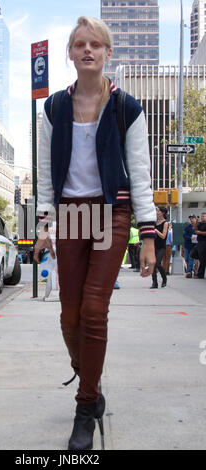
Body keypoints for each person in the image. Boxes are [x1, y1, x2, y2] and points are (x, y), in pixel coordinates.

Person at [34, 16, 156, 451]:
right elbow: (46, 175)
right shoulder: (53, 109)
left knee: (92, 309)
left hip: (111, 215)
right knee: (69, 315)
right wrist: (44, 228)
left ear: (107, 53)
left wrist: (148, 236)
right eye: (80, 44)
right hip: (69, 216)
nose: (87, 50)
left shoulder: (128, 108)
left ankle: (85, 405)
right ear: (71, 53)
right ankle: (91, 377)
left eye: (96, 45)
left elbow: (139, 174)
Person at [151, 206, 168, 288]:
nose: (157, 212)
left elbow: (163, 236)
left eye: (158, 211)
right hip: (153, 245)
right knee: (153, 264)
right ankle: (155, 283)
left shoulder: (165, 223)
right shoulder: (154, 222)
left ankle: (164, 279)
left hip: (161, 246)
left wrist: (156, 230)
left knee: (157, 263)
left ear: (163, 212)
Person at [193, 211, 206, 279]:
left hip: (204, 242)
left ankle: (200, 274)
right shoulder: (200, 224)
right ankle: (199, 273)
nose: (202, 218)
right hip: (200, 242)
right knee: (200, 258)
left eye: (203, 216)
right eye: (202, 216)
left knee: (203, 259)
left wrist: (200, 232)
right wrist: (196, 223)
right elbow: (195, 230)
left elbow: (200, 232)